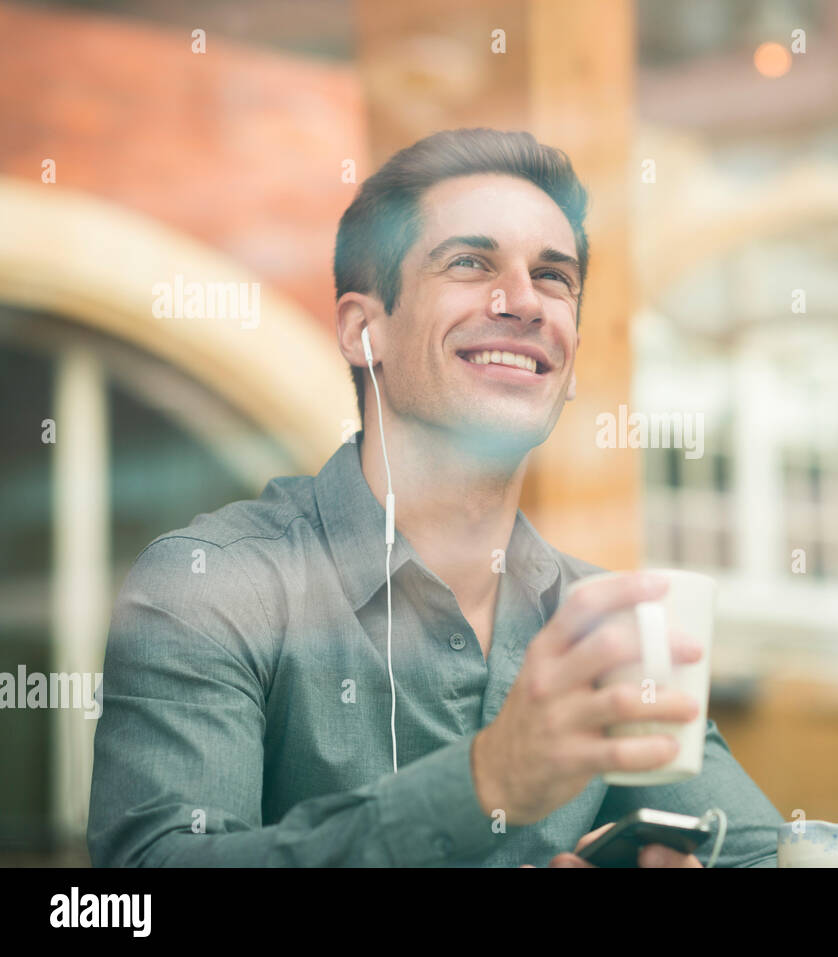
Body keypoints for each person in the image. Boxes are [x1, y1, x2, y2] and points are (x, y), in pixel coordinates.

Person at [88, 128, 784, 867]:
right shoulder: (212, 588)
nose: (524, 301)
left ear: (570, 359)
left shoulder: (606, 627)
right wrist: (484, 783)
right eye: (469, 262)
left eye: (555, 277)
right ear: (364, 331)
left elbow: (761, 856)